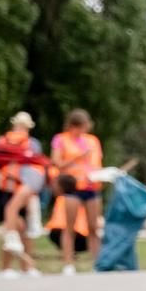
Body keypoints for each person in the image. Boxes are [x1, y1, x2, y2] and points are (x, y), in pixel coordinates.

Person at [0, 113, 47, 278]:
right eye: (19, 125)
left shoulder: (32, 144)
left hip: (23, 191)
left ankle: (25, 267)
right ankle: (5, 268)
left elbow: (33, 168)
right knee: (14, 225)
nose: (20, 129)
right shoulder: (3, 142)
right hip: (7, 189)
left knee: (24, 228)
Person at [45, 110, 104, 275]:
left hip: (91, 186)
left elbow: (96, 162)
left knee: (93, 226)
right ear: (72, 126)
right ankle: (68, 263)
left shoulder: (93, 141)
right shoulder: (61, 139)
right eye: (80, 128)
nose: (82, 131)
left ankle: (98, 263)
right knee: (69, 227)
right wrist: (78, 156)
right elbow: (57, 163)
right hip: (72, 187)